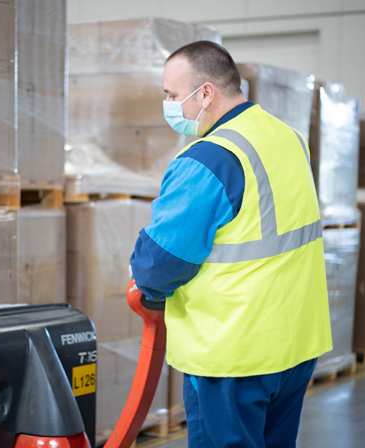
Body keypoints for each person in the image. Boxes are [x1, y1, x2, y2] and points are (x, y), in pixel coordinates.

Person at [129, 41, 332, 448]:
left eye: (172, 95)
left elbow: (160, 262)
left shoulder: (210, 159)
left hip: (234, 354)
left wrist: (146, 288)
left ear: (205, 93)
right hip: (295, 344)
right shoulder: (288, 138)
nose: (169, 105)